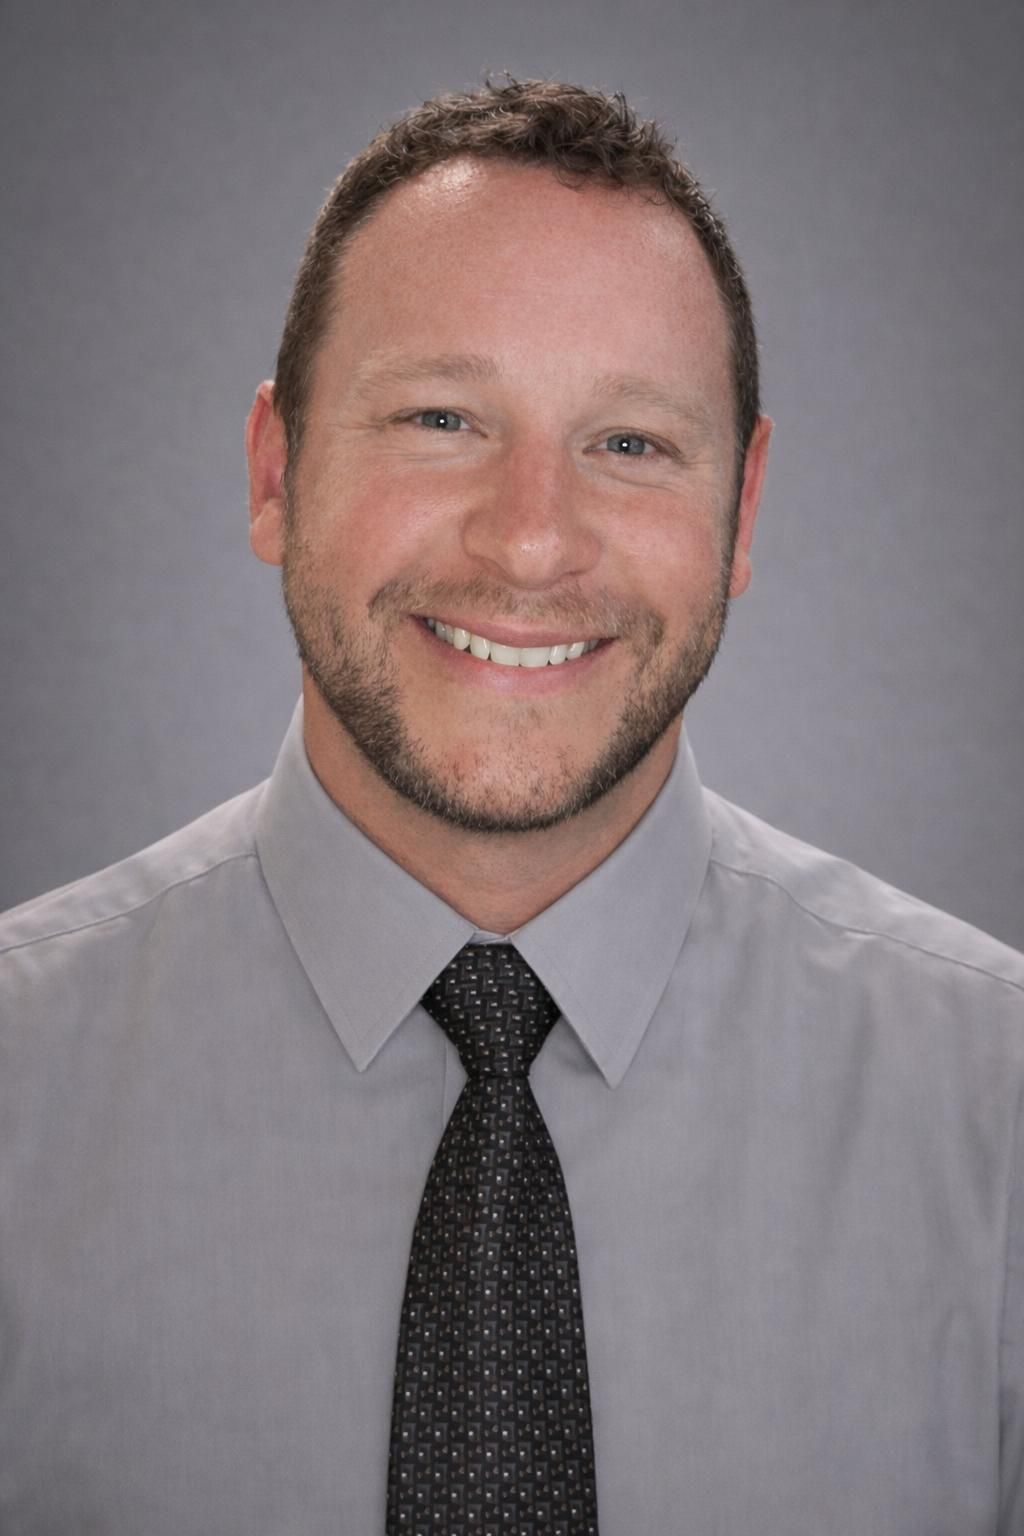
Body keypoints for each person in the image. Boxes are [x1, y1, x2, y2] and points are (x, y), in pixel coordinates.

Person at [1, 78, 1021, 1536]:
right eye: (440, 416)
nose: (534, 538)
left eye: (632, 443)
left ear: (746, 511)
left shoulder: (998, 1118)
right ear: (275, 470)